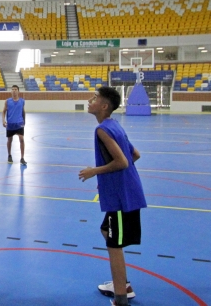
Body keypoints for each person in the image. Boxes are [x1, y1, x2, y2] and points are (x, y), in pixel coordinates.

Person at [79, 87, 145, 306]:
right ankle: (122, 284)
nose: (91, 100)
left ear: (104, 106)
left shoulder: (102, 130)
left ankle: (121, 298)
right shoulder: (114, 125)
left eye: (95, 98)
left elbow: (123, 161)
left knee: (114, 245)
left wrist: (94, 172)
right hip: (124, 191)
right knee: (106, 230)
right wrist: (114, 180)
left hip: (121, 198)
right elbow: (135, 154)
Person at [2, 84, 26, 165]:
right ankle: (9, 155)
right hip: (10, 124)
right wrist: (3, 120)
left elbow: (23, 111)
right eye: (12, 89)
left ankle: (22, 158)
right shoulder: (7, 101)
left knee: (21, 139)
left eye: (15, 89)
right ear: (11, 91)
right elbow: (4, 111)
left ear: (18, 91)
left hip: (19, 123)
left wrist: (24, 121)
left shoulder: (22, 101)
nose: (14, 91)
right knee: (9, 140)